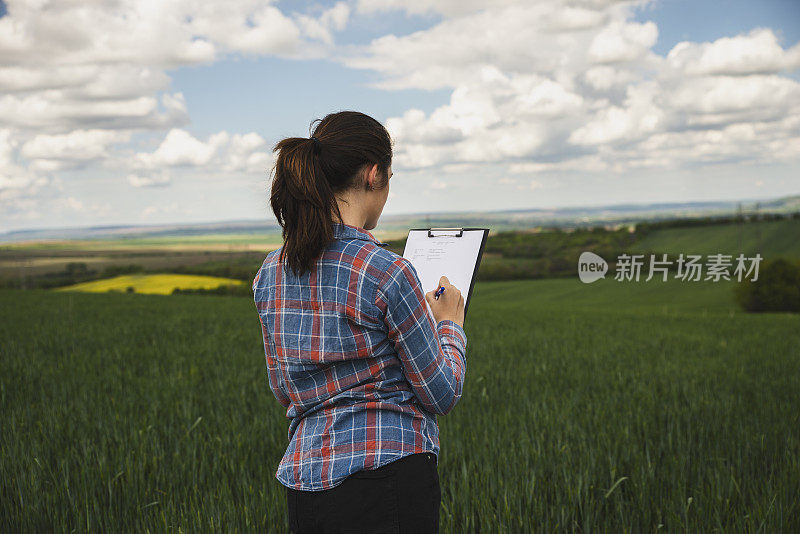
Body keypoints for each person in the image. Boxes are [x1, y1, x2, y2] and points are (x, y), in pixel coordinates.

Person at [251, 110, 467, 533]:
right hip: (390, 480)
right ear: (374, 175)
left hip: (306, 484)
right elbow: (441, 393)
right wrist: (448, 324)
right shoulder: (388, 271)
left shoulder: (271, 273)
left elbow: (284, 389)